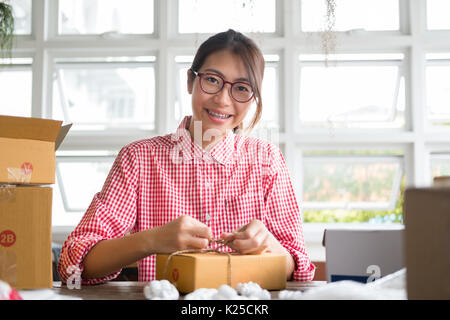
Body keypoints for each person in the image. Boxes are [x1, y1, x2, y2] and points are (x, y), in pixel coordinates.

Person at [58, 29, 316, 285]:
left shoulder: (267, 160)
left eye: (241, 88)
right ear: (190, 81)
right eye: (213, 80)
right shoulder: (138, 159)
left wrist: (272, 247)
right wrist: (152, 240)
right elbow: (73, 265)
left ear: (252, 99)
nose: (223, 99)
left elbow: (299, 268)